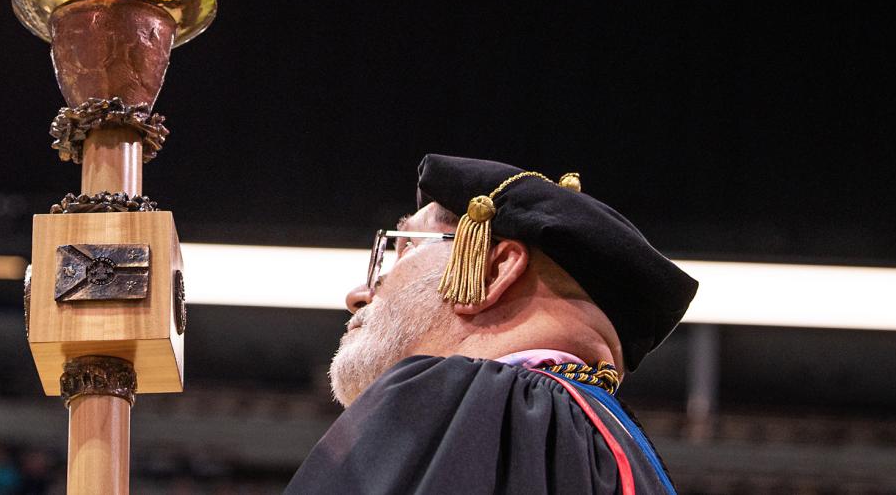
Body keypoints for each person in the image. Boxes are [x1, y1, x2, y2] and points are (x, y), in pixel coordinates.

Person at [286, 154, 699, 494]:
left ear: (491, 272)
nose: (359, 293)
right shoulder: (629, 452)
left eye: (403, 247)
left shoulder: (482, 405)